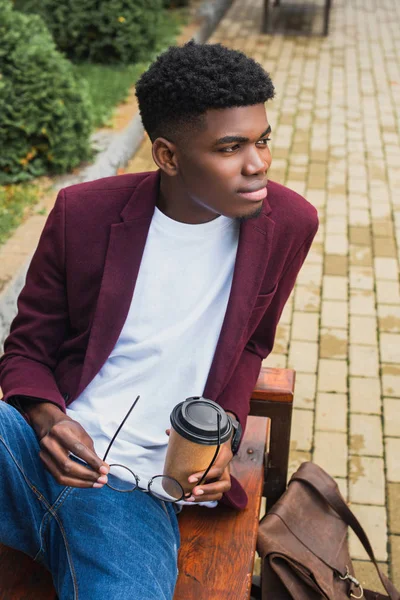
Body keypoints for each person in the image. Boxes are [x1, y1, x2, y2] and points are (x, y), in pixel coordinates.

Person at [0, 41, 318, 599]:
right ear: (168, 156)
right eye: (230, 147)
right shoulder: (84, 212)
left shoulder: (288, 225)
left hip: (138, 490)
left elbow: (251, 348)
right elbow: (26, 347)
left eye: (262, 140)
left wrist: (225, 434)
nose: (258, 163)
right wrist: (49, 423)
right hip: (35, 444)